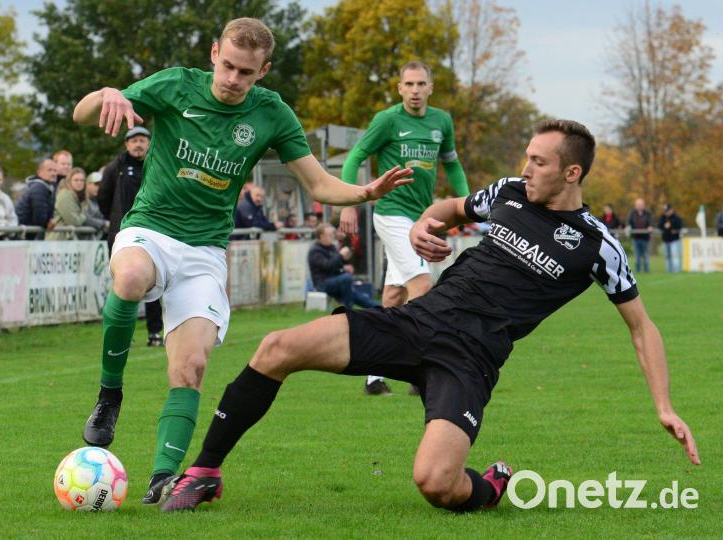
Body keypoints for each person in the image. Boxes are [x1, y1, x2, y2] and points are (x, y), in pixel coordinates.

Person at [161, 119, 701, 514]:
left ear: (571, 171)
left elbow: (641, 325)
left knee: (437, 485)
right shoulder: (509, 195)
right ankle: (205, 471)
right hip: (416, 322)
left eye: (538, 161)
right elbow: (450, 208)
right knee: (276, 347)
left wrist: (665, 406)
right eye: (527, 157)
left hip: (468, 361)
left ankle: (491, 485)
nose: (525, 168)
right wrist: (425, 224)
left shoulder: (595, 244)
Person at [71, 17, 410, 505]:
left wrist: (363, 192)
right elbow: (82, 115)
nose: (233, 79)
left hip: (205, 252)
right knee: (128, 279)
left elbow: (316, 183)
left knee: (189, 369)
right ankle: (110, 396)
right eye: (227, 65)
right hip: (151, 230)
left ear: (263, 70)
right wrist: (107, 93)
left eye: (246, 72)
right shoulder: (174, 85)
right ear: (214, 54)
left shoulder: (271, 113)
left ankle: (163, 478)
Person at [339, 61, 470, 396]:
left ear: (430, 88)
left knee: (395, 296)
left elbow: (452, 164)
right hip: (392, 214)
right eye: (408, 84)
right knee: (423, 284)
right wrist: (349, 201)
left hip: (422, 217)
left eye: (420, 84)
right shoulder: (387, 119)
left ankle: (372, 375)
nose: (414, 90)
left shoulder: (441, 120)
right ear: (399, 88)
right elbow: (355, 157)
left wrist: (469, 203)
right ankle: (419, 370)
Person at [97, 126, 163, 346]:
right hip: (122, 234)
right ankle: (123, 334)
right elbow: (103, 199)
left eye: (143, 140)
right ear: (126, 144)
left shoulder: (159, 165)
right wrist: (117, 220)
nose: (138, 144)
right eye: (134, 140)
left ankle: (155, 333)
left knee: (154, 284)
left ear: (149, 144)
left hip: (154, 232)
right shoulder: (115, 168)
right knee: (124, 285)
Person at [309, 224, 379, 309]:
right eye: (330, 235)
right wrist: (340, 255)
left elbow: (337, 265)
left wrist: (345, 263)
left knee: (357, 296)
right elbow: (327, 266)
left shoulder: (331, 247)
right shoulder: (315, 251)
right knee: (347, 279)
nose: (333, 237)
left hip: (334, 280)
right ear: (322, 236)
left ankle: (380, 308)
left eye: (333, 234)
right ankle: (348, 308)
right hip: (322, 284)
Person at [15, 158, 59, 239]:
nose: (53, 173)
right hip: (22, 235)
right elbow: (39, 217)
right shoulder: (39, 188)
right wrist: (47, 224)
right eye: (49, 170)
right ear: (40, 173)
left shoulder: (48, 188)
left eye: (55, 170)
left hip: (27, 234)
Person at [46, 167, 90, 240]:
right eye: (76, 180)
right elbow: (73, 221)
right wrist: (83, 216)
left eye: (82, 180)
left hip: (66, 240)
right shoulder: (65, 195)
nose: (79, 183)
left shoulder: (76, 196)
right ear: (69, 181)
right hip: (58, 239)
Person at [626, 198, 653, 273]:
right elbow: (628, 222)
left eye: (641, 204)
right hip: (636, 238)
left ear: (643, 205)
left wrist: (650, 226)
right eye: (638, 205)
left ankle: (646, 271)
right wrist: (628, 226)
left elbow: (651, 222)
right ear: (635, 206)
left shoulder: (648, 213)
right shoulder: (632, 213)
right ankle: (637, 271)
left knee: (645, 255)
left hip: (645, 238)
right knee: (637, 256)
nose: (639, 206)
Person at [83, 172, 110, 237]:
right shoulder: (81, 199)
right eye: (96, 184)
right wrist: (104, 223)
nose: (99, 187)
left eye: (101, 185)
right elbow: (85, 219)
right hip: (80, 240)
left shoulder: (101, 200)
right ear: (88, 184)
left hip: (95, 240)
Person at [658, 203, 682, 273]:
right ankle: (669, 271)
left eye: (668, 211)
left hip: (674, 240)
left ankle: (676, 271)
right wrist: (664, 226)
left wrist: (671, 225)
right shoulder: (662, 217)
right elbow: (659, 226)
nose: (667, 212)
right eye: (665, 211)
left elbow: (679, 226)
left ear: (671, 210)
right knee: (667, 257)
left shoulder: (676, 217)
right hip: (665, 240)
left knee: (675, 256)